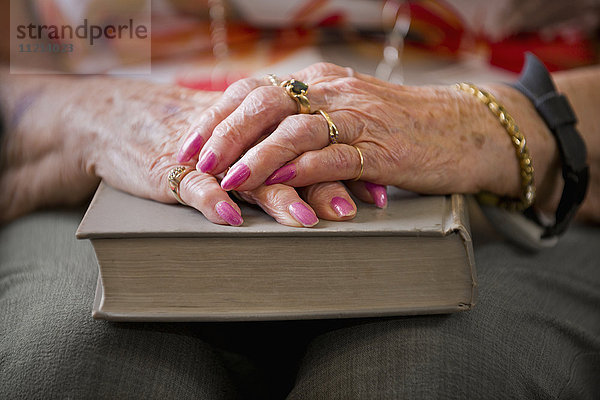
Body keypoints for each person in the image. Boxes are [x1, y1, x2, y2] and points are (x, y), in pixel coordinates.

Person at [2, 2, 600, 400]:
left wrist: (490, 124)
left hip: (502, 186)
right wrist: (87, 116)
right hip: (114, 171)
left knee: (435, 375)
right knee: (71, 365)